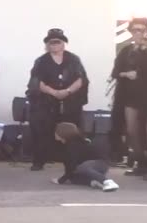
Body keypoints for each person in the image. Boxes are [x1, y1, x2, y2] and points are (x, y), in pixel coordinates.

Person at [27, 28, 87, 171]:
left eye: (57, 42)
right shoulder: (41, 61)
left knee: (72, 130)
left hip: (70, 100)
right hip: (46, 100)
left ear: (63, 44)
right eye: (51, 43)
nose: (54, 45)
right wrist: (53, 92)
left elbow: (81, 79)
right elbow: (36, 81)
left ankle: (75, 161)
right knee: (41, 129)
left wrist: (67, 91)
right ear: (47, 45)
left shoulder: (73, 59)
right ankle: (39, 161)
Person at [111, 17, 147, 179]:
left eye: (141, 30)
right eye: (135, 30)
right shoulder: (126, 50)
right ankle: (140, 162)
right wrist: (126, 74)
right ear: (131, 32)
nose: (138, 33)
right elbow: (115, 72)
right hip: (130, 95)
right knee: (132, 131)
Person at [52, 122, 117, 191]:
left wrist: (60, 180)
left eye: (56, 131)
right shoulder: (69, 144)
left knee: (81, 168)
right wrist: (66, 178)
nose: (55, 133)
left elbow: (72, 165)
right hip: (91, 166)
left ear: (62, 133)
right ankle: (93, 182)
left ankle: (107, 181)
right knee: (72, 177)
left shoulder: (73, 145)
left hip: (100, 163)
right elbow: (69, 166)